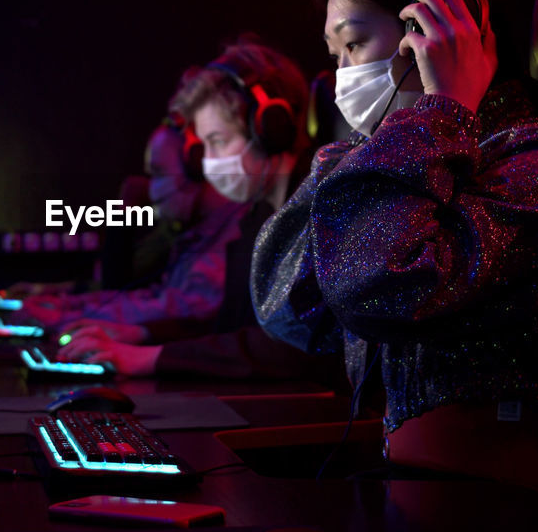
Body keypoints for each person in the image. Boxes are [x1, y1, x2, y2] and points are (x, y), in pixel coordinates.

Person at [250, 0, 538, 496]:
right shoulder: (395, 162)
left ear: (440, 28)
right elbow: (288, 306)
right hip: (415, 492)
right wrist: (386, 144)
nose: (342, 73)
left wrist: (438, 112)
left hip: (503, 515)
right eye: (335, 52)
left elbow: (378, 287)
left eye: (355, 43)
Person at [58, 38, 345, 387]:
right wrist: (142, 334)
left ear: (271, 127)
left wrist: (152, 358)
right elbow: (227, 328)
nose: (209, 164)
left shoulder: (320, 213)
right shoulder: (257, 219)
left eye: (219, 141)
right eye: (203, 147)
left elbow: (293, 348)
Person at [13, 117, 247, 327]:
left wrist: (68, 317)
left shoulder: (235, 236)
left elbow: (172, 310)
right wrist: (67, 307)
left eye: (159, 174)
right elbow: (151, 297)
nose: (152, 190)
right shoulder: (199, 234)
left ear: (198, 165)